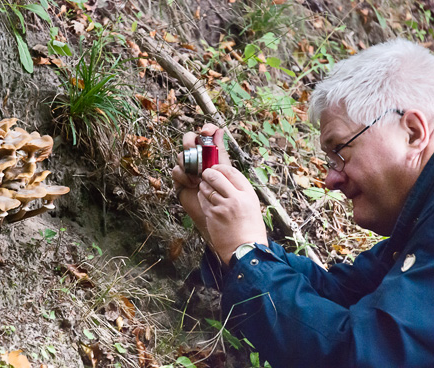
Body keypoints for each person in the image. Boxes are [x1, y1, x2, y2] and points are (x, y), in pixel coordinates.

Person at [172, 38, 434, 367]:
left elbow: (362, 356)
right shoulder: (417, 229)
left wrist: (246, 255)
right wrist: (228, 236)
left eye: (341, 151)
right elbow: (337, 295)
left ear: (411, 132)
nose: (331, 179)